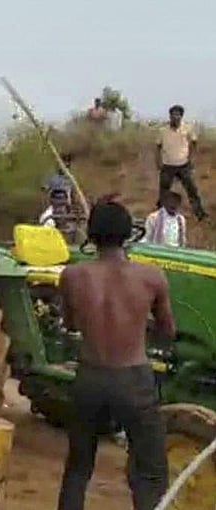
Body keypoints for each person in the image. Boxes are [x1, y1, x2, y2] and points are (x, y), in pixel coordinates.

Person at [57, 198, 174, 510]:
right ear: (129, 233)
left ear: (91, 234)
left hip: (90, 377)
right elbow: (167, 330)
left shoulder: (73, 276)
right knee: (150, 470)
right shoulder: (151, 277)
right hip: (134, 378)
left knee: (79, 466)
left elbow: (69, 322)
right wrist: (139, 324)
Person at [156, 105, 206, 220]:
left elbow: (194, 143)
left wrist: (191, 159)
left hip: (184, 165)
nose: (175, 117)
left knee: (192, 189)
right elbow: (158, 147)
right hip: (168, 165)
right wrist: (158, 161)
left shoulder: (187, 129)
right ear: (170, 116)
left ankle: (200, 213)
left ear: (181, 116)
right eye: (173, 114)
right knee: (164, 190)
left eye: (178, 115)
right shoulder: (162, 131)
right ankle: (160, 213)